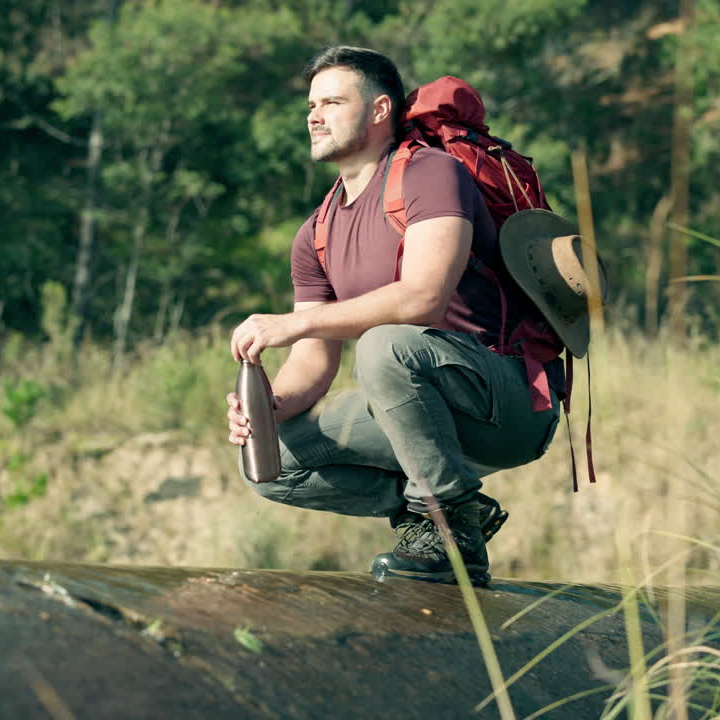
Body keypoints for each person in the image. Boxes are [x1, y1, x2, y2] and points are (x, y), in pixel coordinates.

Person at [225, 47, 564, 586]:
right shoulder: (315, 233)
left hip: (509, 399)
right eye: (311, 104)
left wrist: (293, 323)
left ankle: (451, 536)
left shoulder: (432, 175)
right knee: (274, 461)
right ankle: (455, 514)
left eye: (333, 101)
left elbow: (421, 299)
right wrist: (269, 406)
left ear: (380, 110)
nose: (314, 116)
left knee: (386, 344)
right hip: (417, 408)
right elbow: (313, 363)